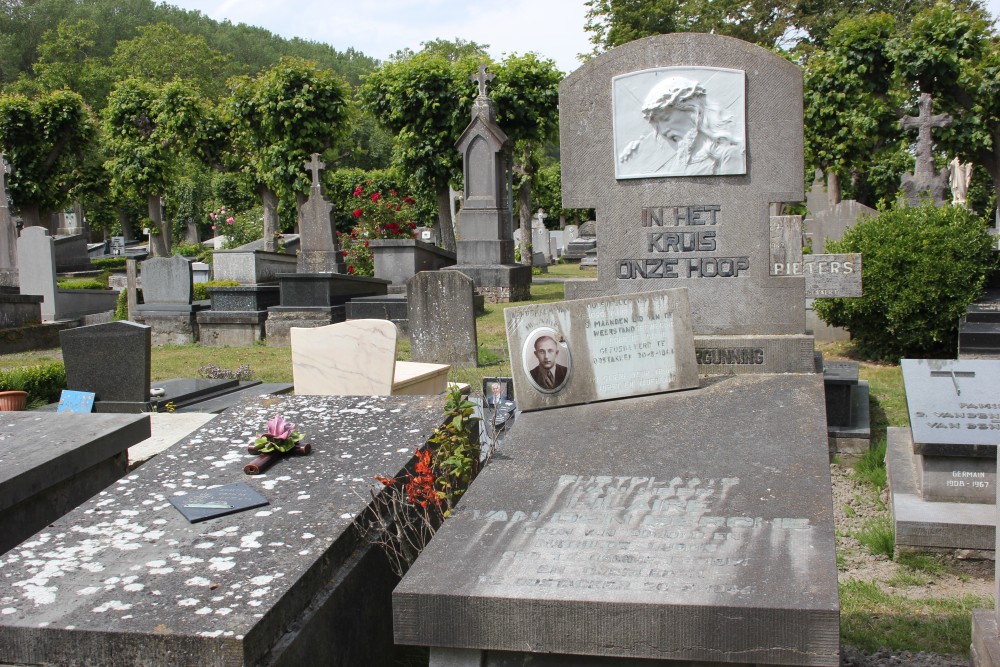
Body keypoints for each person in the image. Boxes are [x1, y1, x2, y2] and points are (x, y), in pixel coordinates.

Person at [618, 75, 743, 177]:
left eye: (665, 118)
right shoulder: (680, 159)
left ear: (692, 110)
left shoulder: (728, 155)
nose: (662, 130)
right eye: (657, 124)